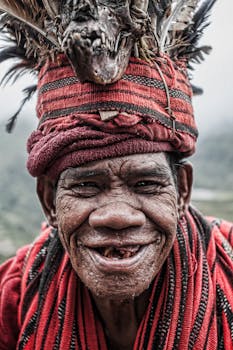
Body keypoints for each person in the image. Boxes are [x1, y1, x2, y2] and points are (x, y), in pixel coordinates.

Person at [0, 1, 232, 349]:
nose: (118, 216)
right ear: (49, 200)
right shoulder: (14, 298)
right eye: (86, 186)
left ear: (182, 191)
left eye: (146, 184)